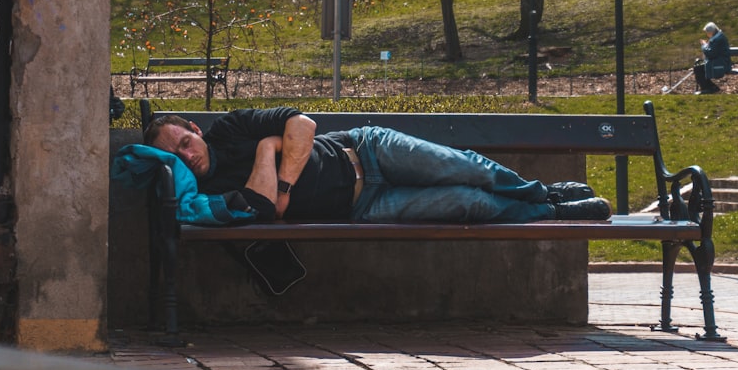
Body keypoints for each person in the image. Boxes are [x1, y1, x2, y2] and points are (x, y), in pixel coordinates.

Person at [143, 106, 612, 225]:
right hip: (364, 206)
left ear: (196, 130)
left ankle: (542, 193)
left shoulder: (229, 129)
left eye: (186, 141)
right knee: (470, 204)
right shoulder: (200, 196)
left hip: (367, 150)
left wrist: (281, 179)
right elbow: (264, 209)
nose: (187, 155)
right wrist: (268, 150)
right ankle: (553, 213)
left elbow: (302, 125)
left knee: (474, 172)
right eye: (175, 155)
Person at [693, 21, 731, 94]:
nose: (707, 34)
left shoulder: (718, 39)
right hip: (718, 62)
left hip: (721, 64)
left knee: (698, 65)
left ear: (711, 32)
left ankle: (708, 88)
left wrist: (704, 45)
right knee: (698, 63)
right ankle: (710, 87)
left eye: (707, 32)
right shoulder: (718, 38)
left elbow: (711, 53)